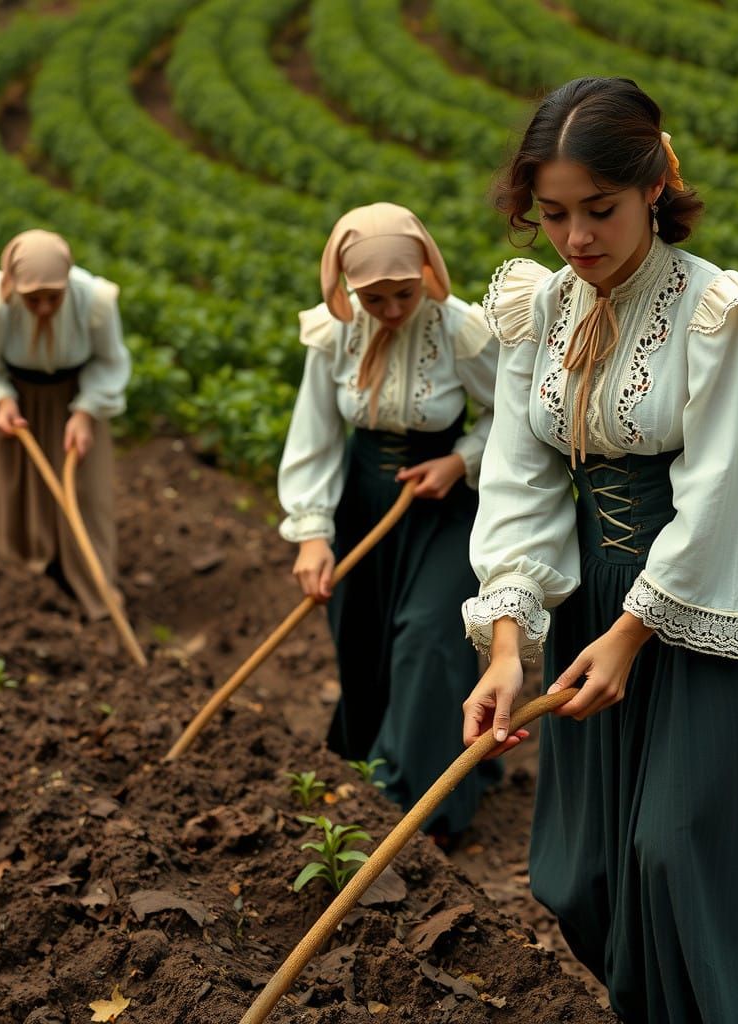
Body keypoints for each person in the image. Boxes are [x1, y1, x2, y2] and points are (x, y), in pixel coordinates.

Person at [460, 78, 738, 1022]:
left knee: (681, 852)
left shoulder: (719, 311)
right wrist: (513, 644)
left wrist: (636, 633)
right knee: (581, 877)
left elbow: (722, 494)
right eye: (553, 214)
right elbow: (519, 479)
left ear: (653, 187)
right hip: (594, 602)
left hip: (698, 606)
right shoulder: (539, 310)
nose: (575, 240)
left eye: (598, 210)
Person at [278, 202, 501, 839]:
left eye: (403, 293)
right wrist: (313, 532)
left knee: (427, 636)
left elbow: (509, 414)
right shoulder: (334, 331)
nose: (393, 310)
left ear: (427, 272)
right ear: (347, 289)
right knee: (363, 638)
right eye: (374, 298)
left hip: (443, 505)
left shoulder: (460, 331)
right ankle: (379, 762)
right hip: (363, 497)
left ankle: (412, 807)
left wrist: (459, 461)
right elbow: (315, 433)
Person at [0, 229, 130, 620]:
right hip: (16, 403)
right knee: (15, 489)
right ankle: (25, 590)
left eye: (54, 297)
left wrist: (85, 413)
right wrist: (0, 402)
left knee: (85, 496)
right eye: (33, 300)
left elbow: (110, 361)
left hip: (74, 401)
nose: (45, 308)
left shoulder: (95, 301)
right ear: (14, 286)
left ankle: (94, 590)